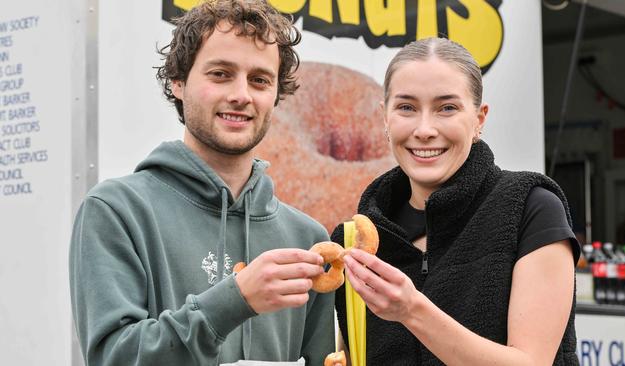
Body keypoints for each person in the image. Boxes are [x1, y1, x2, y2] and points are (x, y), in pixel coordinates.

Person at [69, 1, 335, 365]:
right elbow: (113, 358)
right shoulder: (117, 211)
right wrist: (234, 300)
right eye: (221, 74)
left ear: (276, 94)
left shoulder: (308, 238)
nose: (241, 95)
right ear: (178, 82)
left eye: (259, 80)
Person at [333, 37, 580, 365]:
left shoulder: (531, 209)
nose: (424, 129)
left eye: (447, 108)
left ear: (479, 119)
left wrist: (412, 310)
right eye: (406, 107)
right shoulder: (355, 242)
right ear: (385, 118)